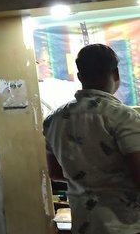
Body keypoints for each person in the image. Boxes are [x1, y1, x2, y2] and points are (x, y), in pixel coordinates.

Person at [43, 44, 140, 234]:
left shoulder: (53, 120)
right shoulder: (124, 117)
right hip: (126, 225)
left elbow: (54, 172)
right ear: (116, 74)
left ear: (80, 77)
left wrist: (88, 177)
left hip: (84, 223)